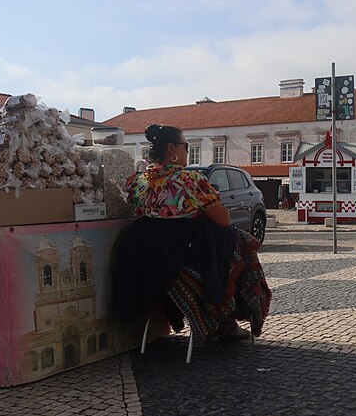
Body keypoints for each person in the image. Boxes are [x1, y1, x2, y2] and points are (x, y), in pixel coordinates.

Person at [114, 124, 271, 343]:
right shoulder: (189, 181)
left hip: (147, 263)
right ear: (172, 149)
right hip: (186, 262)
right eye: (185, 146)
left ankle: (224, 322)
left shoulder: (137, 183)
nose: (187, 151)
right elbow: (223, 219)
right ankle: (227, 319)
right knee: (240, 242)